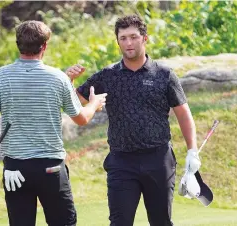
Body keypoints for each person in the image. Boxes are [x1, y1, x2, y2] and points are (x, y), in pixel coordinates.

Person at [65, 15, 201, 226]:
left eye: (133, 37)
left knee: (161, 222)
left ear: (144, 39)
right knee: (119, 222)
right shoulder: (107, 75)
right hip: (121, 161)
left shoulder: (164, 74)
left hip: (158, 159)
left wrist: (192, 152)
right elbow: (76, 101)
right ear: (117, 41)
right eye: (123, 38)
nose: (128, 43)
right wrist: (68, 81)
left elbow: (183, 114)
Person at [0, 20, 107, 226]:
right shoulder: (58, 78)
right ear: (44, 46)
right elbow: (81, 118)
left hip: (15, 170)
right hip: (51, 169)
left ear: (18, 45)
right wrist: (94, 103)